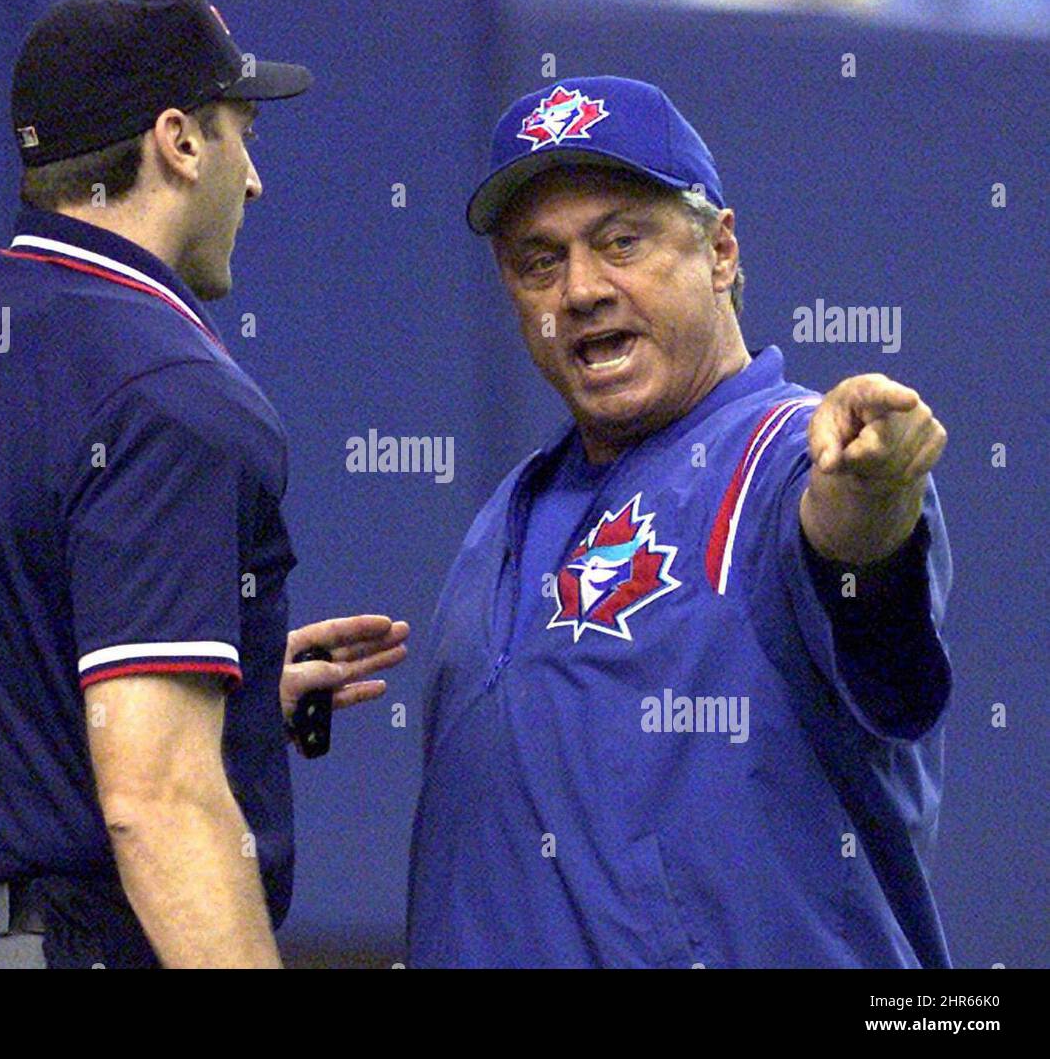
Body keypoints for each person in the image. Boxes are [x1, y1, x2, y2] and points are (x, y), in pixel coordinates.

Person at [0, 0, 407, 969]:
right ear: (178, 141)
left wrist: (196, 685)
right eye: (241, 134)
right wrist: (162, 738)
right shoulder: (169, 387)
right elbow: (161, 803)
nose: (253, 181)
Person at [407, 76, 952, 968]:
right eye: (540, 260)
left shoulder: (786, 456)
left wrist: (875, 495)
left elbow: (855, 559)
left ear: (722, 251)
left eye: (622, 240)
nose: (582, 288)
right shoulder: (504, 518)